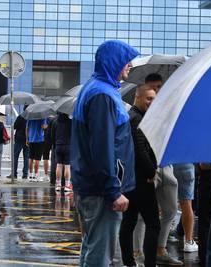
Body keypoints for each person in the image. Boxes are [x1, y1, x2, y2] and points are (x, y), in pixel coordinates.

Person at [70, 40, 138, 267]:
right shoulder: (102, 95)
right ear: (113, 62)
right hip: (101, 191)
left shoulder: (96, 88)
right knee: (100, 255)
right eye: (126, 60)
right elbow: (102, 147)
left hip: (92, 186)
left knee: (92, 248)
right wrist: (113, 191)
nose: (130, 65)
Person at [132, 73, 182, 266]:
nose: (158, 91)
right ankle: (138, 253)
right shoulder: (140, 112)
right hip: (147, 166)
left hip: (165, 164)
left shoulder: (168, 107)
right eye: (153, 88)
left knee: (170, 209)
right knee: (143, 216)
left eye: (160, 87)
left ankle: (160, 249)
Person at [119, 84, 160, 267]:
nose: (152, 102)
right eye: (148, 98)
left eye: (154, 99)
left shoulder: (134, 117)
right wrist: (151, 171)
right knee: (153, 224)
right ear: (137, 98)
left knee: (129, 222)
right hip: (141, 180)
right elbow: (139, 150)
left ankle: (129, 262)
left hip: (130, 180)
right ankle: (148, 264)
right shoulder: (136, 119)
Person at [173, 163, 198, 252]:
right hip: (186, 164)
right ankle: (188, 241)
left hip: (167, 165)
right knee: (186, 203)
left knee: (164, 204)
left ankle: (160, 245)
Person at [197, 164, 211, 266]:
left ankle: (204, 257)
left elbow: (201, 165)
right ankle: (204, 257)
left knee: (205, 222)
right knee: (205, 222)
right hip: (207, 176)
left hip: (206, 176)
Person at [51, 112, 72, 192]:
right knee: (67, 166)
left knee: (59, 165)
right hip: (68, 146)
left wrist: (55, 145)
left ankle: (58, 185)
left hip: (58, 146)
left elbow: (52, 135)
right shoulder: (71, 122)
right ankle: (67, 185)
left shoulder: (55, 122)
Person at [7, 106, 29, 179]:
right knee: (26, 157)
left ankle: (14, 173)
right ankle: (25, 174)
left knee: (15, 156)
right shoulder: (31, 117)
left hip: (19, 138)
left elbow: (15, 126)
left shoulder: (21, 116)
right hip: (28, 139)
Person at [42, 117, 54, 181]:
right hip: (53, 140)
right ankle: (53, 173)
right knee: (53, 157)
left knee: (45, 157)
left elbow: (43, 127)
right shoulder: (55, 119)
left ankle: (46, 175)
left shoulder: (45, 118)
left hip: (45, 139)